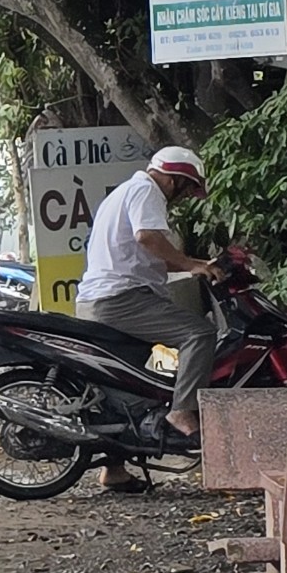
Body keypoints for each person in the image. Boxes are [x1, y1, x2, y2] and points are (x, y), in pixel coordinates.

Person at [74, 146, 218, 472]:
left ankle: (114, 472)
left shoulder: (122, 192)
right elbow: (148, 237)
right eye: (185, 189)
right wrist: (191, 263)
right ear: (172, 180)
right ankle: (182, 409)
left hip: (97, 300)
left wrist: (189, 267)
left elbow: (143, 258)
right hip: (121, 300)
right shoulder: (146, 189)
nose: (181, 198)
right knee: (200, 333)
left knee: (124, 391)